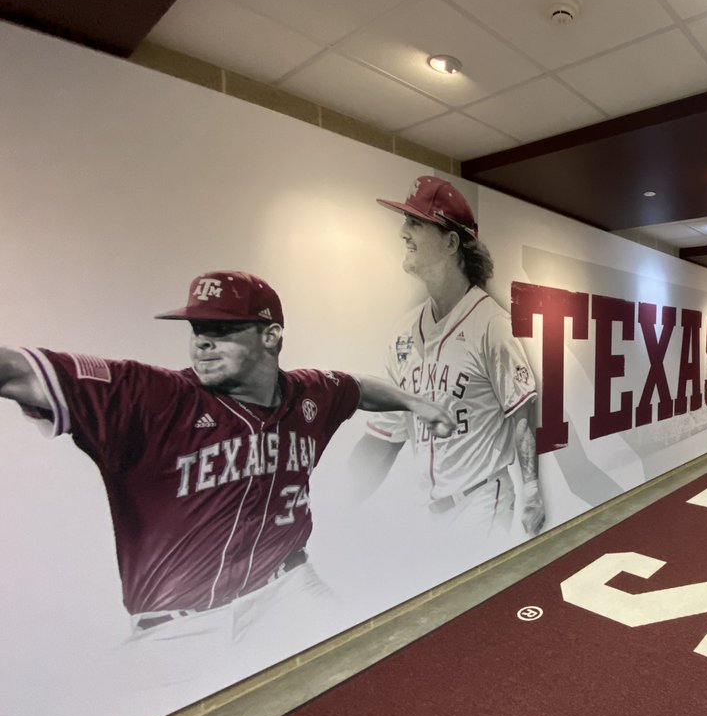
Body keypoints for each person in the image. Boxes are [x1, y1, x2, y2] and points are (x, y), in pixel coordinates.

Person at [0, 270, 454, 639]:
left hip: (288, 587)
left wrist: (418, 404)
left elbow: (356, 387)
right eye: (198, 330)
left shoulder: (307, 391)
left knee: (373, 675)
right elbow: (17, 371)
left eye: (221, 331)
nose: (202, 343)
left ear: (271, 336)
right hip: (178, 628)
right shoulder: (149, 396)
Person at [351, 176, 545, 543]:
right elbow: (384, 436)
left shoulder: (491, 324)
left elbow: (519, 413)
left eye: (415, 223)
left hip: (482, 500)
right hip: (426, 510)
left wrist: (532, 488)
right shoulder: (403, 332)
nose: (403, 233)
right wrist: (337, 505)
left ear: (451, 242)